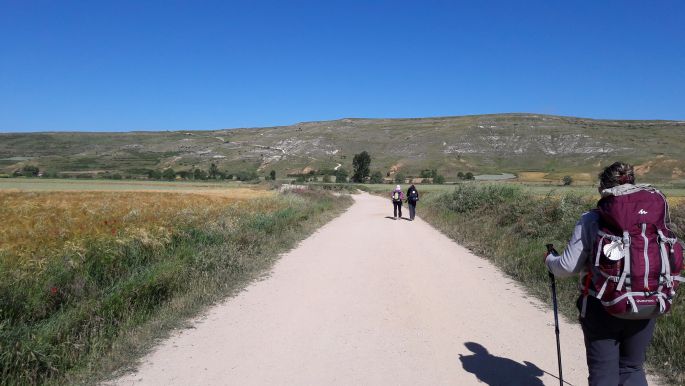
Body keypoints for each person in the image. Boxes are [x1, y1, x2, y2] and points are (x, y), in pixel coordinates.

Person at [544, 162, 661, 386]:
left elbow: (567, 267)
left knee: (603, 373)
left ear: (603, 188)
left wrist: (549, 260)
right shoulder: (653, 216)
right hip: (648, 302)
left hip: (602, 305)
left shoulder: (592, 219)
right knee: (632, 368)